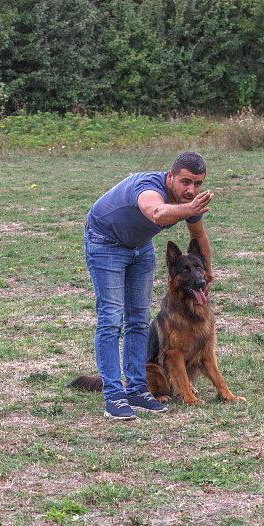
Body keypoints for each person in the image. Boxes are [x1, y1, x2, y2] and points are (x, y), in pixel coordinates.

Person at [83, 151, 213, 420]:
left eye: (198, 184)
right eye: (186, 182)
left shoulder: (186, 201)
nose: (191, 190)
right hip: (104, 242)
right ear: (170, 177)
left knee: (140, 320)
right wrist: (189, 209)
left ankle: (138, 391)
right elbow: (156, 212)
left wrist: (206, 279)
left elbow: (198, 238)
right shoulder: (149, 189)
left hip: (139, 247)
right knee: (110, 320)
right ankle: (114, 397)